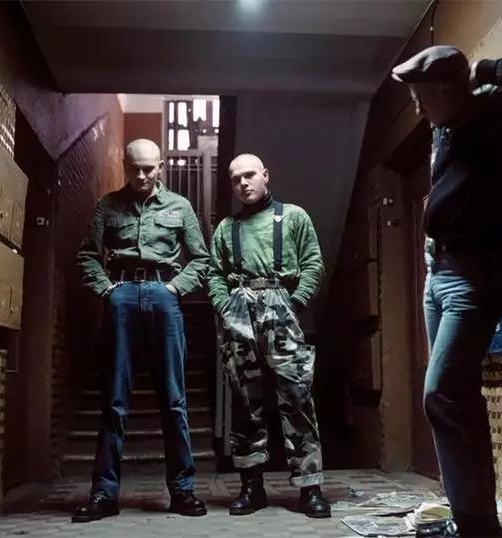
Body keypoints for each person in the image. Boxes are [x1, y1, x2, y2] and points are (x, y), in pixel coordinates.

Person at [391, 46, 502, 537]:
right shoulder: (444, 126)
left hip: (474, 273)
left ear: (448, 88)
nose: (417, 107)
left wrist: (485, 68)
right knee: (455, 400)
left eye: (421, 96)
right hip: (439, 271)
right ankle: (469, 516)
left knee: (444, 394)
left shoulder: (497, 115)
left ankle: (477, 524)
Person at [73, 138, 210, 522]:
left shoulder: (179, 206)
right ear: (125, 166)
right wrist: (107, 290)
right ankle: (104, 494)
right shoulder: (107, 205)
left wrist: (175, 288)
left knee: (174, 400)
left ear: (161, 167)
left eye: (149, 168)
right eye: (135, 168)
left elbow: (201, 259)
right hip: (122, 297)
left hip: (164, 296)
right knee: (114, 401)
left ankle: (182, 491)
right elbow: (87, 255)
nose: (142, 175)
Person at [208, 153, 330, 518]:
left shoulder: (293, 217)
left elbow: (313, 263)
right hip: (239, 311)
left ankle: (309, 488)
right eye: (235, 179)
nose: (243, 183)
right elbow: (214, 273)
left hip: (281, 307)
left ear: (265, 175)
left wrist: (296, 301)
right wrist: (225, 305)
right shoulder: (226, 228)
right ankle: (252, 487)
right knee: (245, 402)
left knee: (297, 398)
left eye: (249, 175)